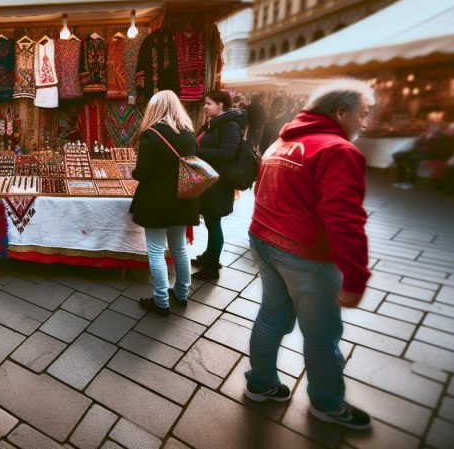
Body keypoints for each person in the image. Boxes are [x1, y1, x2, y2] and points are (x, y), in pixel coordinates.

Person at [246, 78, 374, 430]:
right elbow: (344, 218)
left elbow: (263, 189)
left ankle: (260, 383)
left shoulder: (283, 141)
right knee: (322, 334)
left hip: (264, 239)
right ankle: (328, 405)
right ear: (339, 111)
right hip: (303, 253)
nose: (365, 123)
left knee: (271, 316)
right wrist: (356, 276)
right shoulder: (337, 150)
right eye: (362, 114)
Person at [129, 90, 198, 316]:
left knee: (157, 250)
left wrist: (134, 172)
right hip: (183, 199)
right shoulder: (188, 133)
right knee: (179, 248)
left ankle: (161, 299)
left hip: (157, 200)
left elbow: (144, 173)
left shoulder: (151, 134)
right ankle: (181, 293)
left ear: (154, 108)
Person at [191, 89, 246, 282]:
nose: (205, 107)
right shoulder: (215, 124)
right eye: (205, 103)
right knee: (210, 221)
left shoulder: (229, 125)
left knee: (214, 223)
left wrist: (198, 150)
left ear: (221, 105)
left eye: (209, 104)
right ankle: (208, 256)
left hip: (219, 183)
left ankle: (212, 266)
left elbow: (226, 154)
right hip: (210, 181)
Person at [391, 121, 454, 189]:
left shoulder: (442, 137)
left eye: (434, 128)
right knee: (397, 156)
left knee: (413, 159)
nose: (431, 129)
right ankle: (401, 180)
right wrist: (421, 139)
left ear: (439, 129)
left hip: (432, 153)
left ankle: (411, 182)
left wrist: (428, 145)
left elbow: (440, 148)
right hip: (419, 151)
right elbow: (418, 145)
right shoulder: (426, 135)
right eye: (431, 128)